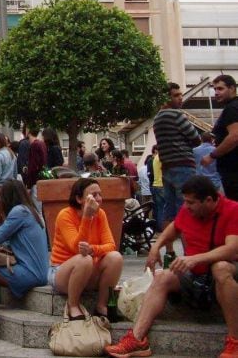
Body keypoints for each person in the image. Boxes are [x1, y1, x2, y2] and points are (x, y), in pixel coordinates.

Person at [105, 175, 238, 358]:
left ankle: (234, 341)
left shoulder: (232, 210)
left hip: (225, 274)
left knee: (220, 268)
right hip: (196, 277)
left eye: (191, 203)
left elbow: (232, 249)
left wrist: (195, 259)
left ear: (208, 200)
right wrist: (156, 247)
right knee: (162, 276)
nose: (186, 207)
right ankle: (137, 339)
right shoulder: (188, 210)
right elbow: (175, 227)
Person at [49, 178, 124, 320]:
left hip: (88, 268)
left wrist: (92, 249)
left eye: (100, 194)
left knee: (115, 257)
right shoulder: (65, 215)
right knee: (84, 259)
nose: (99, 199)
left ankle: (101, 306)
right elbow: (76, 248)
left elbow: (110, 245)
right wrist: (87, 217)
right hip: (62, 271)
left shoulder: (100, 214)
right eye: (93, 195)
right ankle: (73, 306)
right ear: (79, 198)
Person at [0, 180, 49, 298]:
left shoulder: (19, 211)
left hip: (31, 273)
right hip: (41, 273)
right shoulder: (31, 211)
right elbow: (7, 244)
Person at [153, 82, 200, 231]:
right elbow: (196, 138)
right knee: (187, 208)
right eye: (176, 95)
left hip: (167, 167)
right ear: (166, 98)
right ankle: (188, 251)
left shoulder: (157, 119)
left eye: (180, 95)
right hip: (183, 165)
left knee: (169, 210)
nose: (180, 98)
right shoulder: (177, 115)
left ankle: (169, 250)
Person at [202, 75, 238, 200]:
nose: (216, 92)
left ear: (232, 88)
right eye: (215, 89)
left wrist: (212, 156)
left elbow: (234, 136)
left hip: (233, 170)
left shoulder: (232, 108)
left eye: (220, 89)